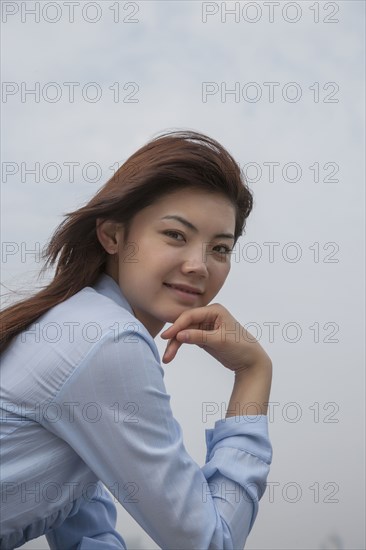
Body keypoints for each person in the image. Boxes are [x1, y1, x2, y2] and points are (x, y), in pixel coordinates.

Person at [0, 130, 273, 549]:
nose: (200, 266)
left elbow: (86, 537)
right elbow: (208, 543)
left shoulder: (77, 324)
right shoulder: (107, 343)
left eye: (220, 248)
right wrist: (253, 373)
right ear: (112, 236)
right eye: (176, 235)